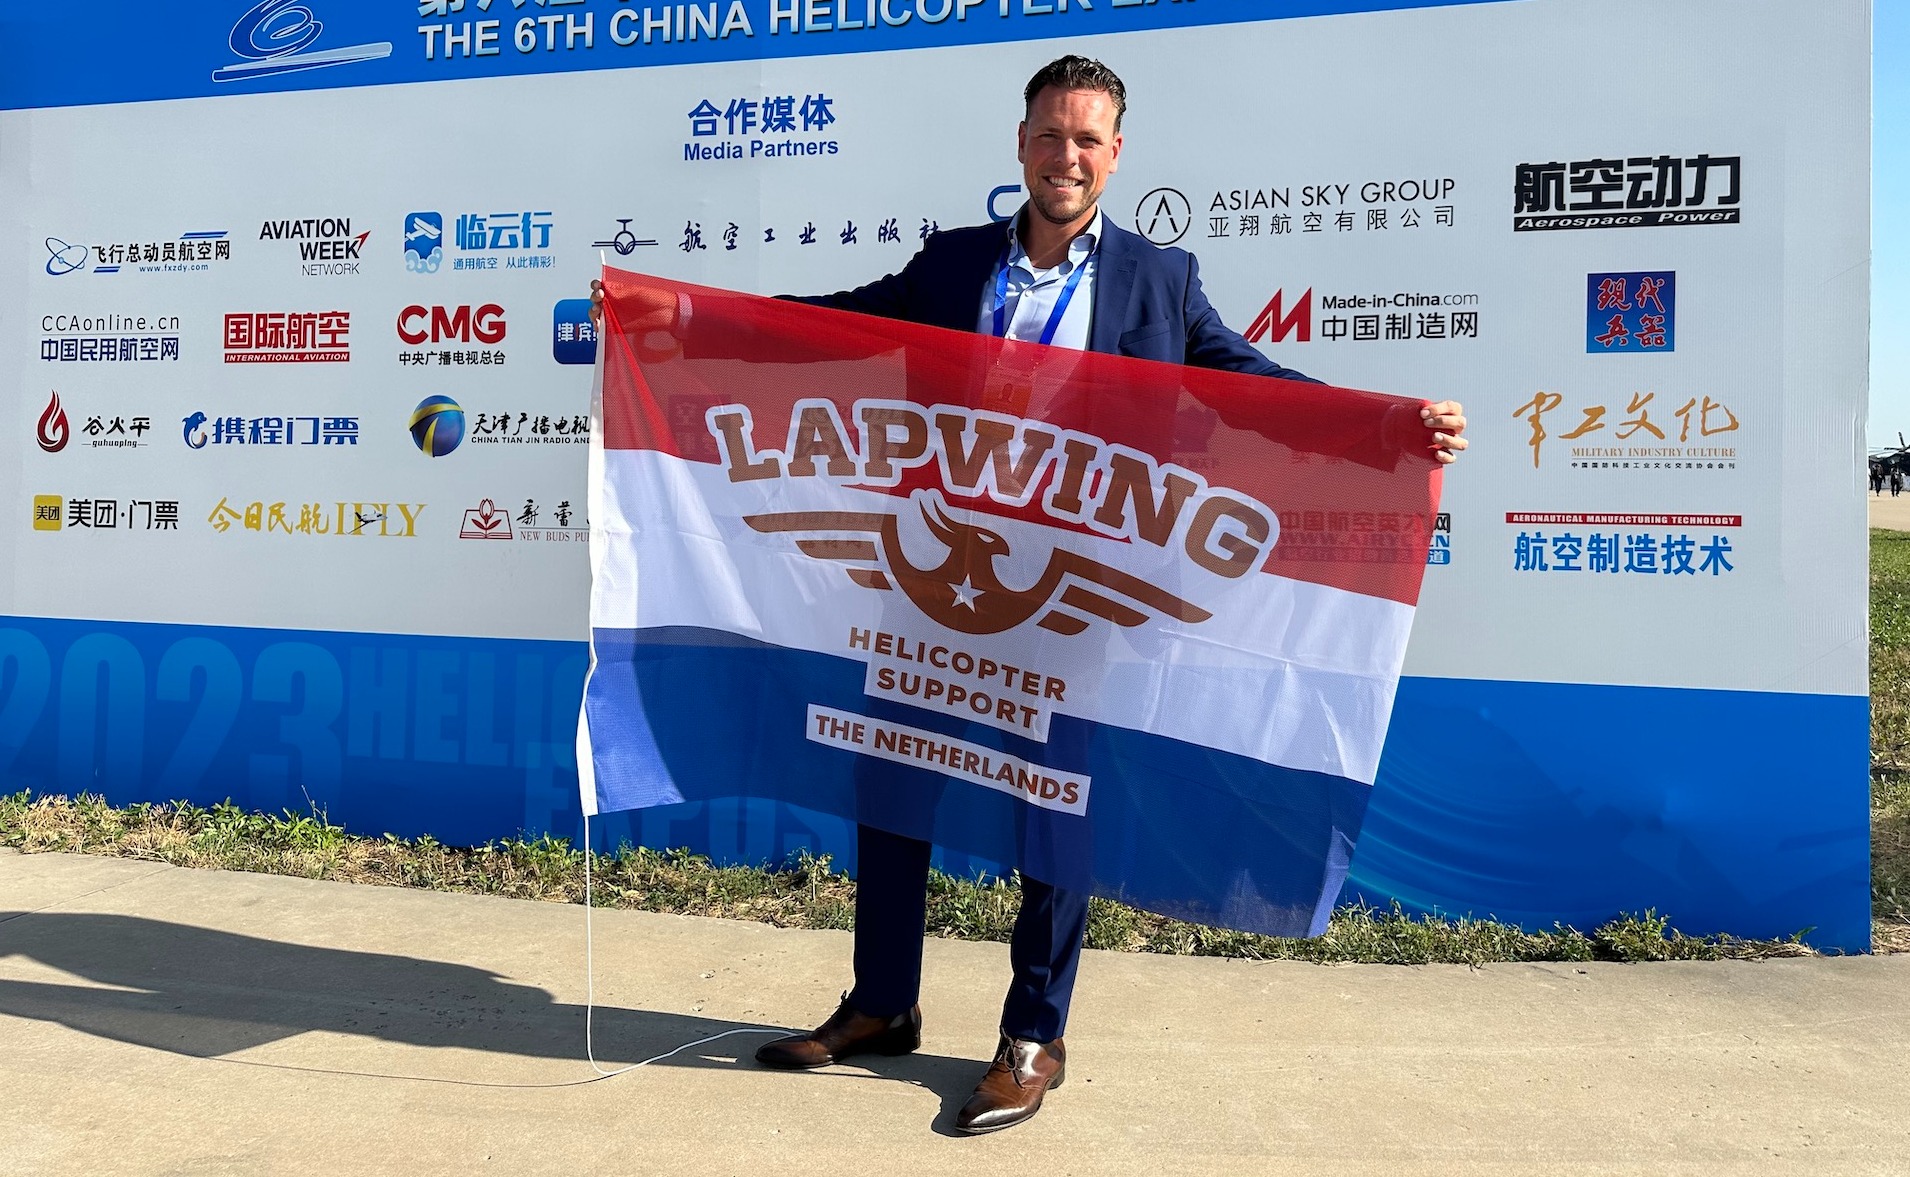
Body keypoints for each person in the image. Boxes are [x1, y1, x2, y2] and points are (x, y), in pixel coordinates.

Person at [590, 54, 1468, 1134]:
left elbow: (1249, 382)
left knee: (1055, 814)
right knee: (892, 786)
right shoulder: (952, 263)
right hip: (928, 575)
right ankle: (881, 1001)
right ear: (1020, 144)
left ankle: (1032, 1035)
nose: (1066, 156)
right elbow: (830, 329)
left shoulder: (1158, 280)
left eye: (1087, 138)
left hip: (1065, 603)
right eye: (1050, 134)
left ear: (1116, 154)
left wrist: (1387, 427)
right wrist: (678, 316)